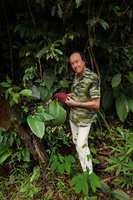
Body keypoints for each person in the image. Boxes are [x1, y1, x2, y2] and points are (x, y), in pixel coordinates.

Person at [65, 51, 100, 174]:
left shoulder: (92, 78)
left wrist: (76, 104)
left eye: (77, 61)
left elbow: (96, 104)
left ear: (83, 61)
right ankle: (85, 166)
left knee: (80, 145)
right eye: (72, 63)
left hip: (85, 119)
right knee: (78, 143)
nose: (75, 65)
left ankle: (89, 175)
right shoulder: (77, 76)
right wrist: (65, 96)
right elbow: (79, 94)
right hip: (74, 117)